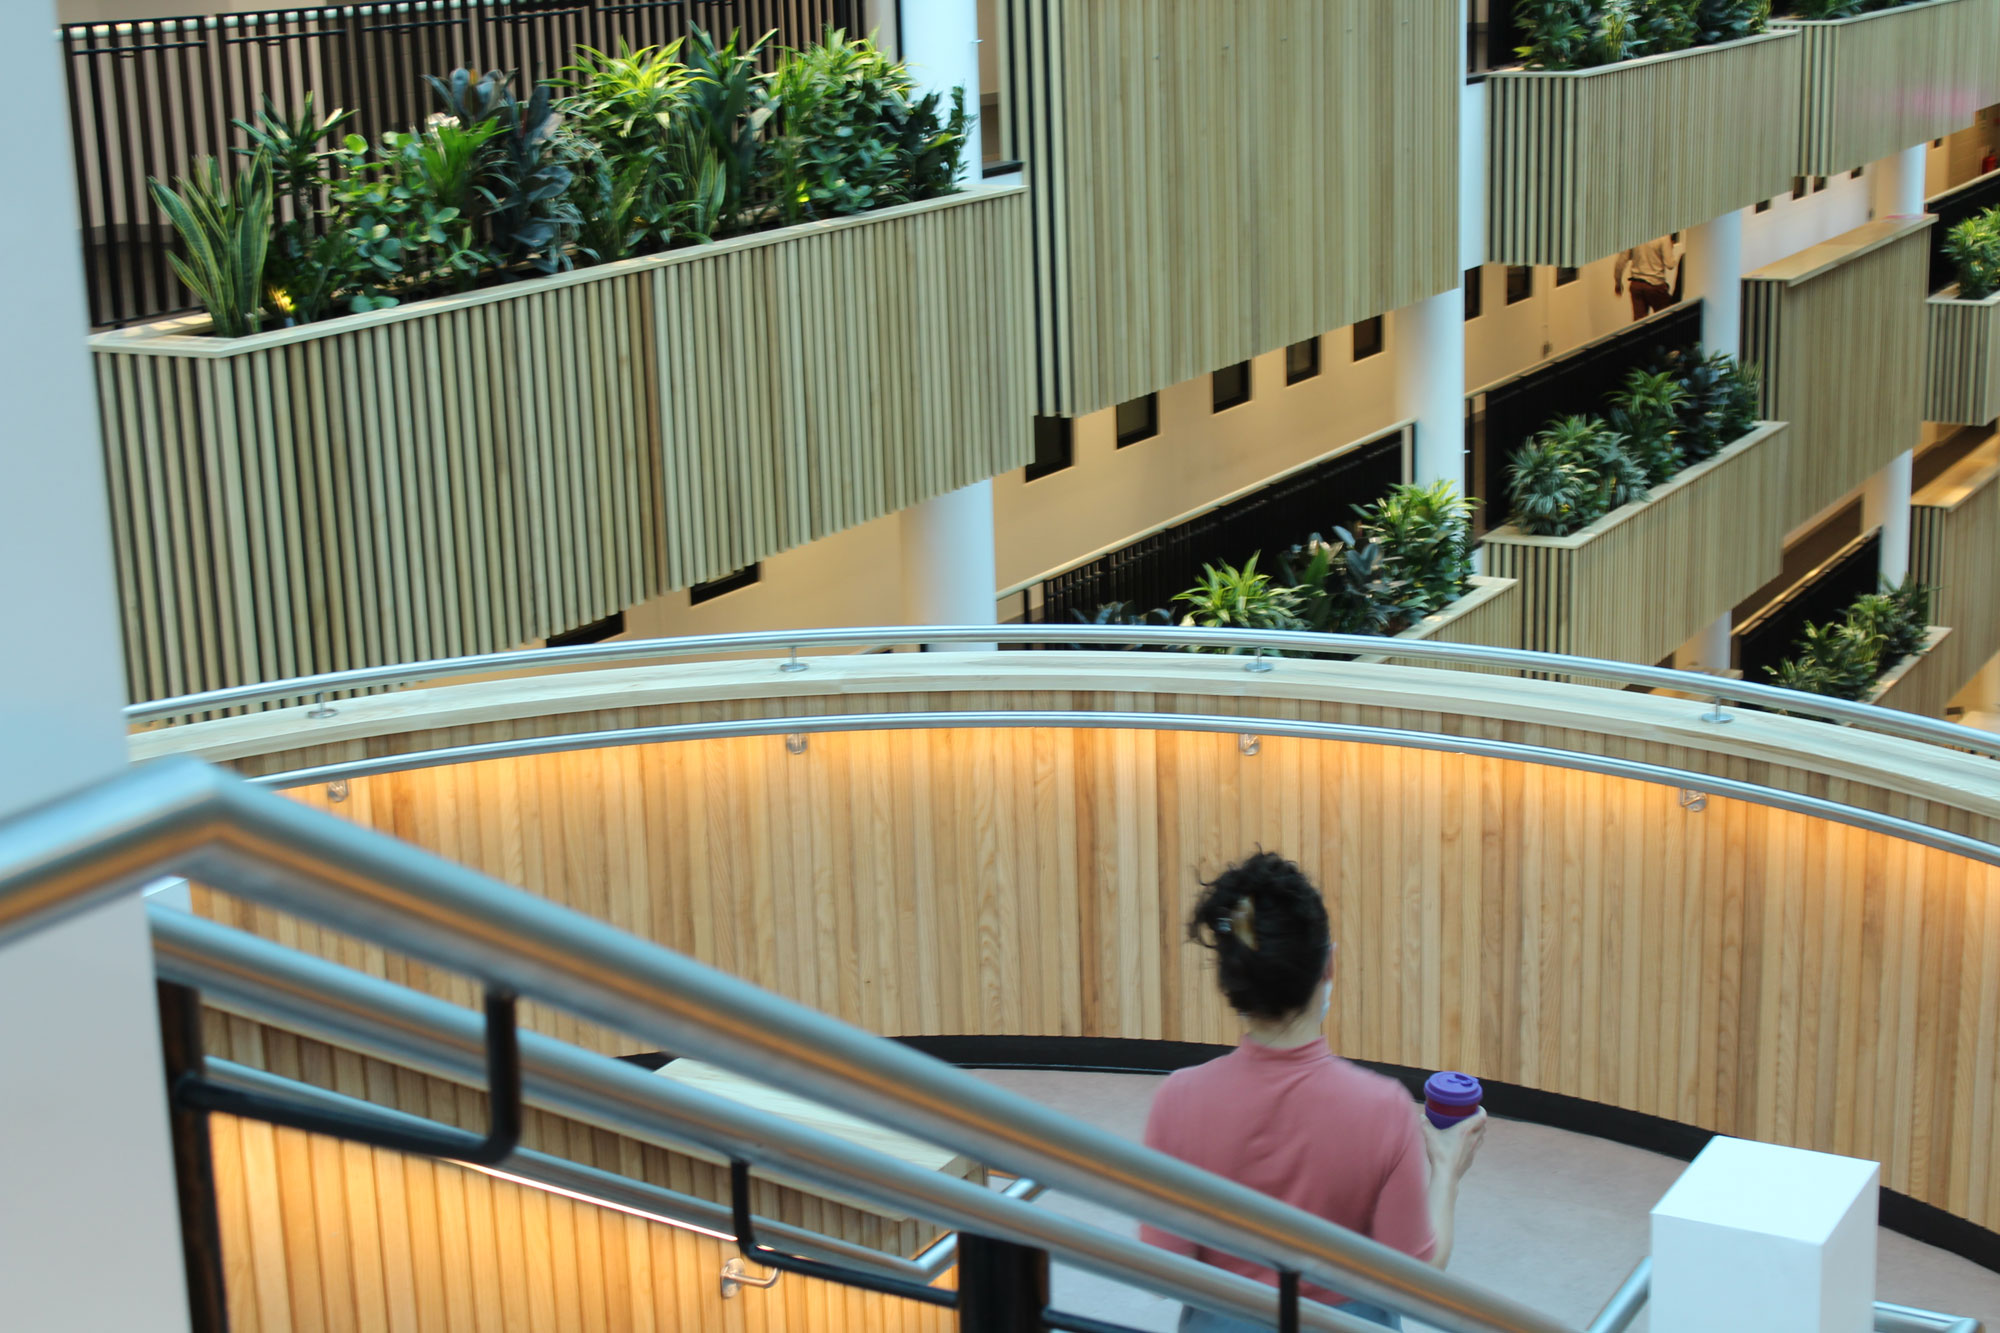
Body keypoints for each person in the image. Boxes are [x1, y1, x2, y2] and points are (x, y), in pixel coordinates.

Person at [1140, 853, 1487, 1330]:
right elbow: (1417, 1279)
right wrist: (1446, 1169)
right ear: (1329, 964)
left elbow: (1163, 1274)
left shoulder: (1178, 1099)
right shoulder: (1381, 1107)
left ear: (1230, 982)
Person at [1614, 235, 1681, 321]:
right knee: (1665, 320)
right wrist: (1672, 249)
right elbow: (1670, 264)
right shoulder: (1664, 237)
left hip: (1637, 284)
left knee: (1639, 324)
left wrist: (1618, 282)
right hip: (1656, 285)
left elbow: (1621, 261)